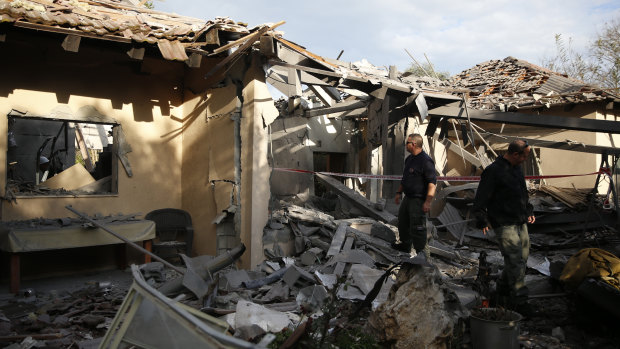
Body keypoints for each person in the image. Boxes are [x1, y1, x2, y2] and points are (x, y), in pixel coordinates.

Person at [472, 139, 536, 315]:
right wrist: (481, 219)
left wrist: (528, 210)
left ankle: (500, 292)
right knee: (515, 261)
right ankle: (520, 302)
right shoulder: (493, 171)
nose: (525, 159)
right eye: (525, 156)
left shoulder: (516, 169)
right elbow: (481, 197)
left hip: (520, 221)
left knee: (521, 259)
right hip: (504, 223)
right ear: (515, 154)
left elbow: (522, 193)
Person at [394, 134, 437, 256]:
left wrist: (428, 201)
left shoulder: (426, 161)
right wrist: (398, 192)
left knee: (418, 227)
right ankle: (405, 245)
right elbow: (405, 179)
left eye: (407, 143)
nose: (406, 145)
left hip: (418, 200)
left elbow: (432, 184)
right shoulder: (409, 159)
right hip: (407, 198)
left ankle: (423, 255)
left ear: (413, 144)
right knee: (403, 222)